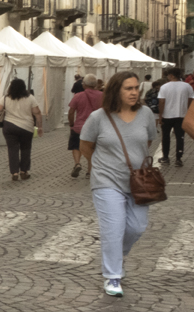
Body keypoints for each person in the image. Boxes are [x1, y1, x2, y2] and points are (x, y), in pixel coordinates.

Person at [80, 72, 157, 298]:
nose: (134, 92)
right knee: (113, 228)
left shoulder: (146, 114)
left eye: (136, 88)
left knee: (136, 227)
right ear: (116, 91)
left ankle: (116, 254)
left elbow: (148, 142)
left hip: (139, 181)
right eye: (128, 88)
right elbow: (85, 145)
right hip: (106, 180)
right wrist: (99, 167)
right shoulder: (98, 117)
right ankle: (113, 276)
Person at [0, 78, 43, 182]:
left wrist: (4, 108)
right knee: (25, 149)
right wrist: (39, 127)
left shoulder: (6, 98)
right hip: (26, 128)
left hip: (10, 127)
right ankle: (24, 171)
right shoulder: (30, 98)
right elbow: (37, 113)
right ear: (24, 87)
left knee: (12, 149)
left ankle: (14, 172)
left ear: (11, 87)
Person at [68, 75, 103, 178]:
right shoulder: (102, 96)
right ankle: (89, 171)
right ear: (95, 84)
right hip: (96, 127)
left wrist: (71, 123)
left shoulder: (78, 96)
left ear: (84, 85)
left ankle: (77, 163)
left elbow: (71, 112)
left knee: (76, 146)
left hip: (79, 126)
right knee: (92, 149)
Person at [157, 67, 193, 167]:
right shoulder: (187, 86)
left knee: (165, 137)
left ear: (171, 75)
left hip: (167, 116)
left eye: (168, 75)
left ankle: (165, 157)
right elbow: (190, 99)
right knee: (180, 137)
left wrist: (160, 116)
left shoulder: (164, 87)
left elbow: (162, 101)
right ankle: (178, 158)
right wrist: (186, 110)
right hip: (181, 116)